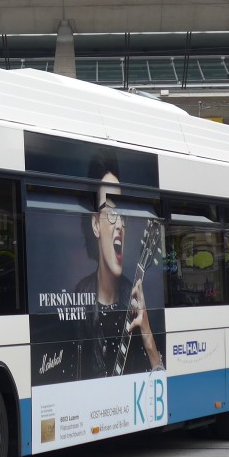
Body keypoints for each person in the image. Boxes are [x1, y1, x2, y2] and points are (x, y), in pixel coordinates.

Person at [75, 149, 163, 378]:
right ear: (95, 225)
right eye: (112, 212)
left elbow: (158, 379)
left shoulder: (134, 300)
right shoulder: (81, 294)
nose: (119, 224)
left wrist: (146, 332)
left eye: (123, 213)